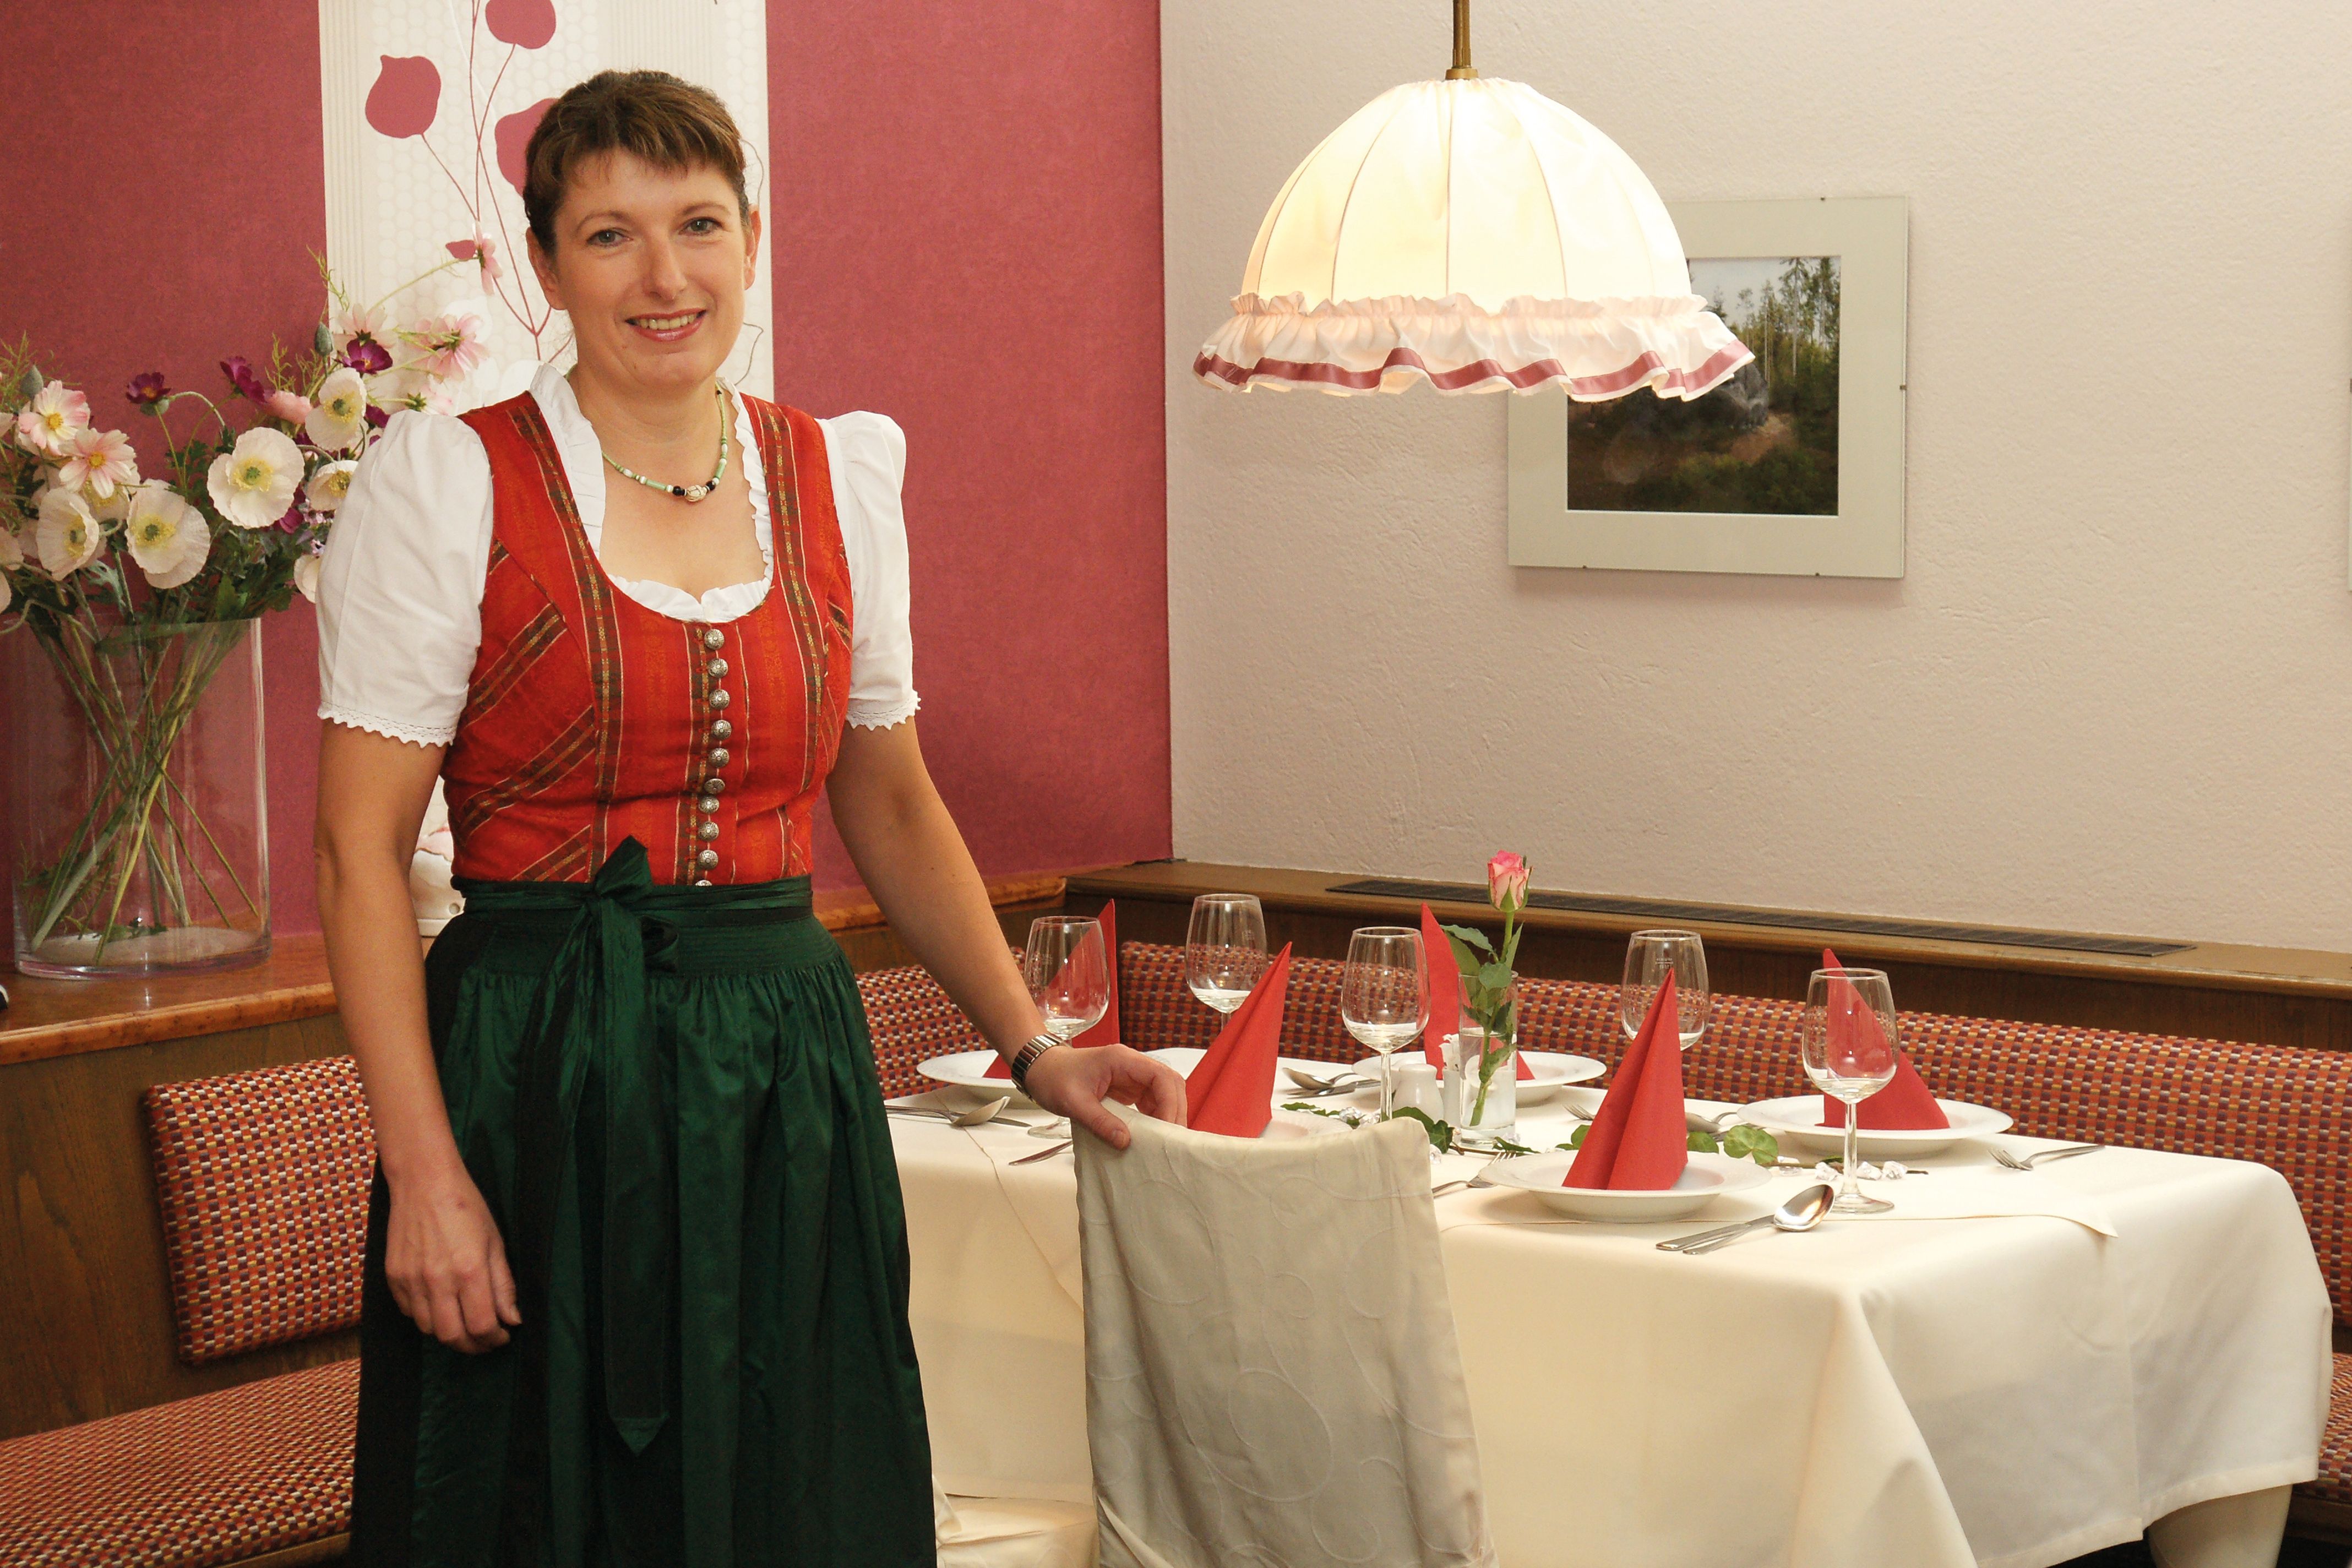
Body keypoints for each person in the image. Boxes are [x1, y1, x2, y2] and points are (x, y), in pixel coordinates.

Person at [311, 69, 1185, 1566]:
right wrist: (429, 1175)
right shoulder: (449, 481)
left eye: (698, 225)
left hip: (781, 1061)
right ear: (546, 266)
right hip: (532, 1066)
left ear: (753, 240)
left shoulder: (839, 473)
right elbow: (357, 861)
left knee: (793, 1485)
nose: (665, 278)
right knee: (536, 1501)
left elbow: (891, 795)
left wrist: (1033, 1044)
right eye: (610, 236)